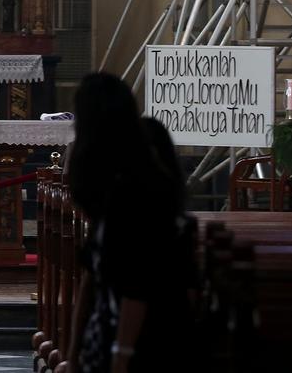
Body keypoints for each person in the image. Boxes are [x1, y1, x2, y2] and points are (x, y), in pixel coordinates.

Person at [64, 73, 196, 373]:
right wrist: (73, 356)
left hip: (144, 345)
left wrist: (121, 358)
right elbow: (92, 279)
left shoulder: (135, 193)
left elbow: (138, 283)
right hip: (109, 337)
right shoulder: (116, 185)